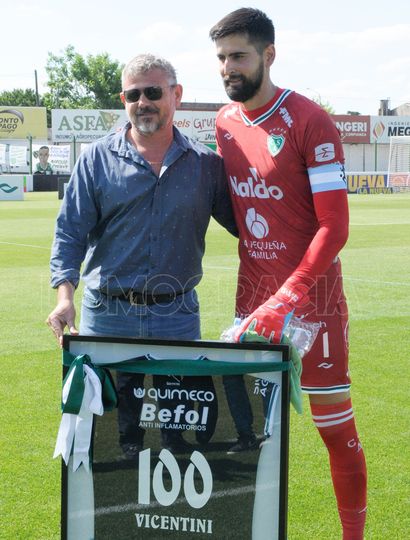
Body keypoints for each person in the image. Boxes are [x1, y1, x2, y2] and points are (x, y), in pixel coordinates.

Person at [210, 8, 367, 539]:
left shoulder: (309, 120)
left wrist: (289, 294)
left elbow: (335, 226)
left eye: (238, 56)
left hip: (312, 306)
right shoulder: (224, 123)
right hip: (251, 306)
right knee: (255, 436)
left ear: (268, 55)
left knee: (335, 431)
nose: (228, 67)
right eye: (222, 58)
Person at [46, 53, 236, 458]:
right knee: (115, 430)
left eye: (153, 92)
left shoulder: (206, 165)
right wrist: (64, 297)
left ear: (176, 95)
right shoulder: (96, 159)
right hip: (108, 315)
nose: (143, 102)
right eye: (133, 94)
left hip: (177, 315)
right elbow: (69, 233)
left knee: (178, 428)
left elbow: (247, 228)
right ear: (124, 99)